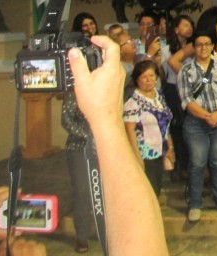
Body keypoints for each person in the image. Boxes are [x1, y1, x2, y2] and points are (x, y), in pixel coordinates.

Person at [68, 34, 170, 256]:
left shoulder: (157, 96)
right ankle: (82, 236)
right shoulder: (128, 100)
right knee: (85, 194)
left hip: (143, 150)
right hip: (83, 149)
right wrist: (102, 125)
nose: (149, 80)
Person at [177, 29, 217, 223]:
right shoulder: (186, 69)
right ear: (194, 47)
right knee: (197, 163)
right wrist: (207, 116)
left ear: (213, 46)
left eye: (207, 44)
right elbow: (186, 100)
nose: (203, 48)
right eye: (199, 44)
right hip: (195, 124)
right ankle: (195, 203)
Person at [66, 12, 99, 251]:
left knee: (102, 192)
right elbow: (66, 119)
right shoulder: (75, 86)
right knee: (82, 191)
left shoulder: (103, 83)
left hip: (103, 148)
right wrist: (89, 136)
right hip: (78, 148)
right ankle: (82, 236)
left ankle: (103, 231)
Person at [123, 59, 174, 197]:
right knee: (148, 193)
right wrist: (138, 158)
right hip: (145, 154)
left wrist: (170, 147)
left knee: (157, 189)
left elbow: (165, 122)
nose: (149, 80)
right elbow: (129, 131)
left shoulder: (159, 95)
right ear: (137, 80)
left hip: (160, 152)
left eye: (151, 76)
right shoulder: (133, 102)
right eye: (144, 77)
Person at [164, 15, 194, 178]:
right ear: (176, 29)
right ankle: (178, 167)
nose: (189, 28)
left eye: (191, 25)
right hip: (173, 89)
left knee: (189, 128)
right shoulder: (166, 48)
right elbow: (164, 71)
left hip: (190, 90)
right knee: (176, 129)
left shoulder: (193, 47)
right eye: (185, 25)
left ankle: (188, 166)